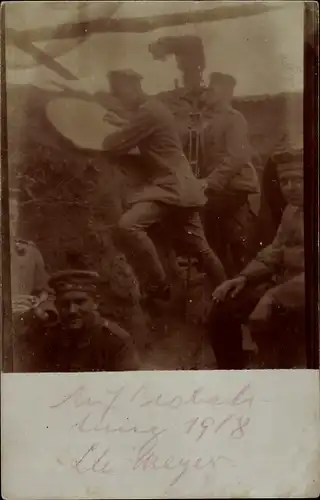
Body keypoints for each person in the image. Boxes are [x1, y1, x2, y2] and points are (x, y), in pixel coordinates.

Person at [102, 69, 226, 301]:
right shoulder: (153, 109)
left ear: (133, 88)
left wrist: (101, 133)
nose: (120, 99)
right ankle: (227, 292)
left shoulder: (149, 111)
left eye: (120, 94)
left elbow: (115, 144)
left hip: (171, 188)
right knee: (203, 250)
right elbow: (144, 131)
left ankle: (159, 285)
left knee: (128, 225)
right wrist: (122, 123)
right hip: (185, 188)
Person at [206, 145, 305, 369]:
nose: (291, 188)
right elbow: (275, 251)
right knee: (223, 312)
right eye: (285, 181)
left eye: (299, 180)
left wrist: (272, 297)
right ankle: (233, 377)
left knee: (282, 338)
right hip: (282, 290)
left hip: (304, 299)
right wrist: (243, 278)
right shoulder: (292, 210)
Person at [15, 269, 141, 372]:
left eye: (80, 302)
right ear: (57, 306)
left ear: (95, 302)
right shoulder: (51, 338)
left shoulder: (116, 342)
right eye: (65, 304)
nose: (72, 310)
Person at [201, 72, 260, 275]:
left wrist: (209, 182)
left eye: (213, 88)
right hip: (217, 190)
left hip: (233, 187)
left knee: (233, 243)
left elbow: (236, 158)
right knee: (213, 241)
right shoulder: (206, 121)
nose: (208, 91)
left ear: (226, 92)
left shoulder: (235, 119)